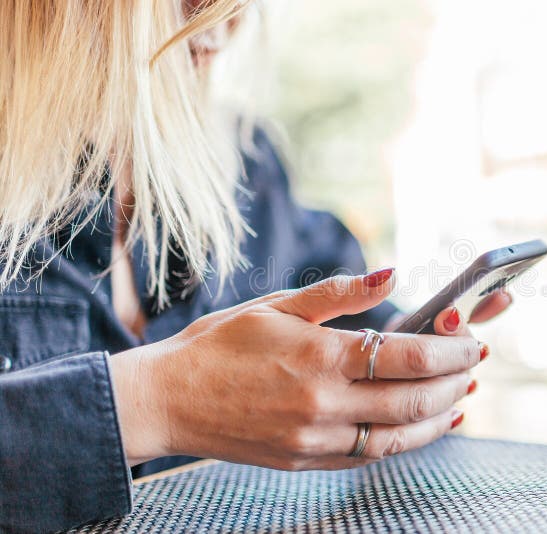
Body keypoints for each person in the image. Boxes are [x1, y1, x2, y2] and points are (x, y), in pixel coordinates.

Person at [0, 1, 513, 532]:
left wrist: (403, 346)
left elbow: (324, 287)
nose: (225, 25)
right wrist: (160, 400)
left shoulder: (245, 160)